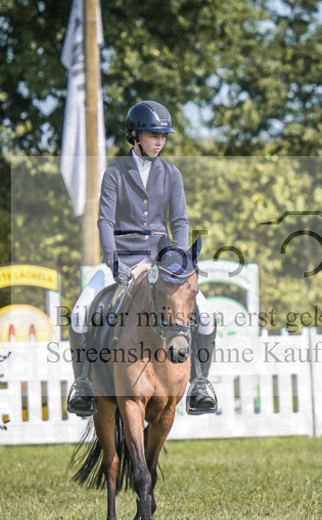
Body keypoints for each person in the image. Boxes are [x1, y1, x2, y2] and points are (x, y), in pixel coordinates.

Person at [66, 100, 218, 416]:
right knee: (80, 312)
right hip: (121, 258)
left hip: (162, 262)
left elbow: (180, 221)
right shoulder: (115, 173)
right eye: (153, 135)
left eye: (163, 136)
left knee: (206, 316)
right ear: (135, 135)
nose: (159, 141)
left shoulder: (172, 174)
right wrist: (113, 260)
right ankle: (83, 383)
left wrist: (179, 261)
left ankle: (200, 383)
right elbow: (105, 221)